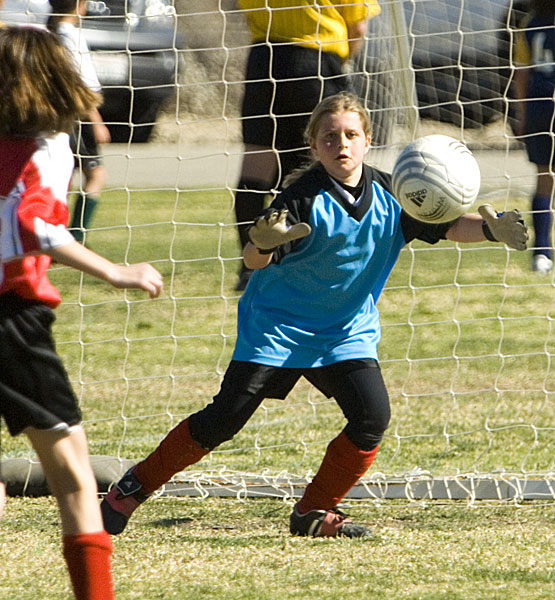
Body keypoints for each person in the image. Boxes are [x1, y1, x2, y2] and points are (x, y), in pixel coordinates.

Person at [101, 92, 528, 539]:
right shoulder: (301, 198)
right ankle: (129, 490)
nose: (341, 144)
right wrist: (261, 244)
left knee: (371, 418)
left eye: (351, 135)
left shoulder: (394, 193)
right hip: (278, 329)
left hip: (344, 333)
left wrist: (490, 230)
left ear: (367, 141)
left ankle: (313, 512)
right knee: (222, 420)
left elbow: (446, 224)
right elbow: (253, 260)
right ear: (313, 145)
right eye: (329, 137)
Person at [0, 26, 163, 599]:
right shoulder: (47, 147)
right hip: (11, 322)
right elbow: (35, 227)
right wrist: (117, 271)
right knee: (72, 477)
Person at [234, 0, 381, 290]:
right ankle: (320, 260)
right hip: (317, 58)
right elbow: (357, 25)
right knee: (323, 166)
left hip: (264, 60)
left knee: (256, 165)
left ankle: (251, 267)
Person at [48, 0, 111, 245]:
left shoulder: (50, 32)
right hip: (78, 117)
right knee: (96, 174)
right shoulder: (70, 36)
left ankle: (59, 232)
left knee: (64, 174)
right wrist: (96, 121)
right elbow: (82, 84)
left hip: (59, 116)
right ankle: (75, 237)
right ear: (80, 5)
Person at [512, 0, 555, 275]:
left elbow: (521, 74)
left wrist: (522, 114)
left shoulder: (528, 22)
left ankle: (541, 253)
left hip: (539, 108)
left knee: (544, 179)